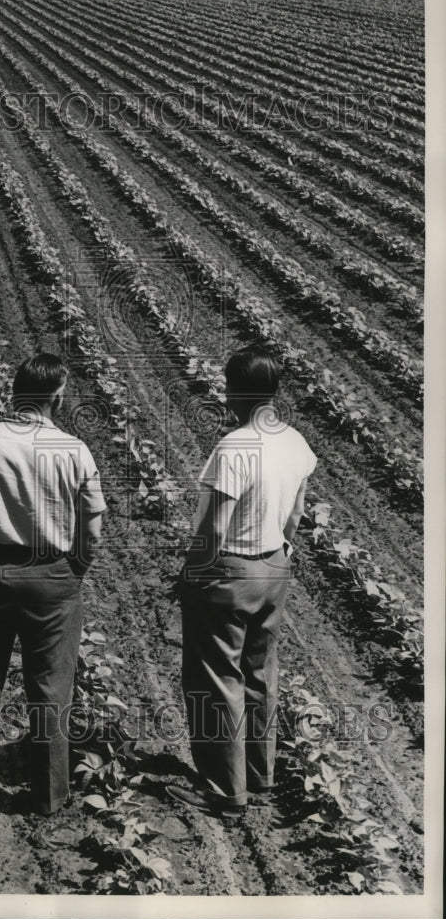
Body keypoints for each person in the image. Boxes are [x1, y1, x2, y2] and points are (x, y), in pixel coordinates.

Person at [0, 352, 106, 817]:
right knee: (51, 689)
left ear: (15, 393)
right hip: (51, 576)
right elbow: (92, 524)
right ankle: (48, 798)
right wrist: (76, 570)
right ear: (57, 395)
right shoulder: (74, 449)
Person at [168, 346, 316, 817]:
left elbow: (213, 529)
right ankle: (259, 772)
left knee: (216, 681)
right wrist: (282, 553)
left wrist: (191, 575)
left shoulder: (235, 447)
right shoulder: (296, 443)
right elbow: (295, 514)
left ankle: (224, 791)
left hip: (230, 571)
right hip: (275, 567)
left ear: (238, 391)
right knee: (258, 673)